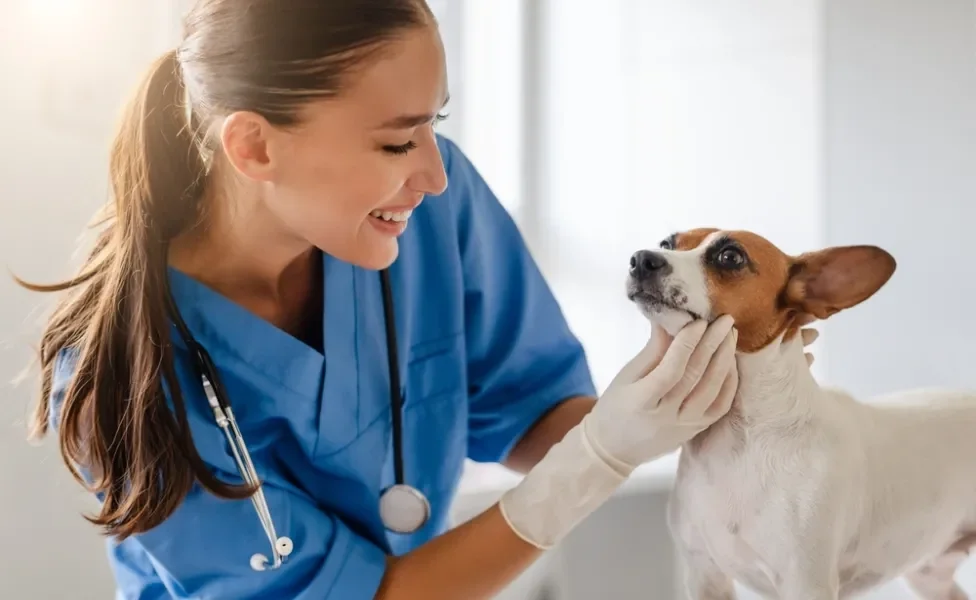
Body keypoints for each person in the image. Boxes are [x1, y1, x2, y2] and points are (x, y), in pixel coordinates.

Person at [18, 1, 815, 598]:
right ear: (255, 145)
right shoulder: (118, 374)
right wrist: (604, 452)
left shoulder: (434, 206)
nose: (433, 173)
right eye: (398, 140)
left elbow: (536, 416)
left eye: (434, 125)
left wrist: (690, 397)